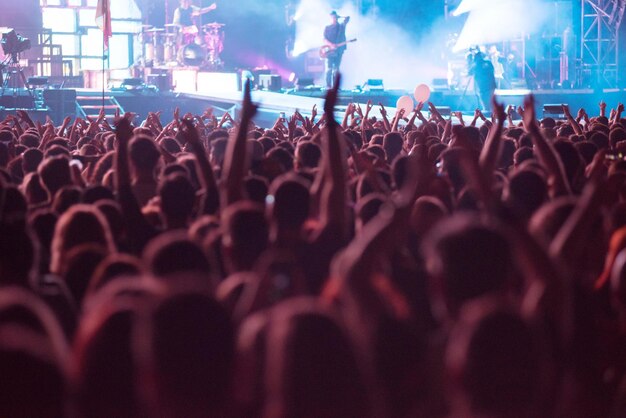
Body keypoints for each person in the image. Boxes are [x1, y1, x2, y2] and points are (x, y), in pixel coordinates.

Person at [323, 11, 350, 89]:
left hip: (339, 51)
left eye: (335, 17)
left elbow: (347, 20)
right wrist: (331, 45)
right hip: (330, 50)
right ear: (330, 17)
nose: (334, 19)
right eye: (333, 17)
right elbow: (324, 39)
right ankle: (328, 86)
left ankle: (335, 87)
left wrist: (343, 17)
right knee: (329, 68)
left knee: (336, 68)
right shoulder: (327, 28)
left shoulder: (341, 26)